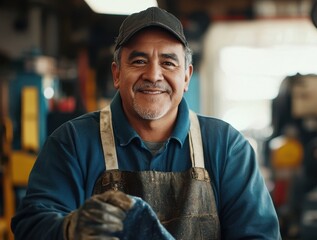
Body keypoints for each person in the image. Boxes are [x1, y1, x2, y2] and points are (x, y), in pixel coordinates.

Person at [11, 6, 281, 239]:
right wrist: (68, 230)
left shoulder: (226, 147)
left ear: (186, 77)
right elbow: (30, 225)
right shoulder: (72, 143)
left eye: (168, 63)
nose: (153, 75)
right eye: (139, 61)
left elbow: (259, 235)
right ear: (117, 74)